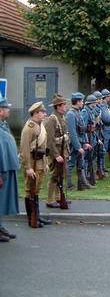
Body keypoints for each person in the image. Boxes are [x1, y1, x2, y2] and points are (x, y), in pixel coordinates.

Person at [19, 101, 51, 228]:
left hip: (40, 162)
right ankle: (31, 218)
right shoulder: (29, 128)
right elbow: (24, 149)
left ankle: (36, 216)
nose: (45, 114)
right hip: (32, 163)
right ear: (36, 113)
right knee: (29, 191)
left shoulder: (40, 125)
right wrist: (27, 167)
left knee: (36, 190)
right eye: (42, 112)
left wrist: (46, 162)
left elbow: (44, 146)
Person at [44, 94, 71, 208]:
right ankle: (50, 200)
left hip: (62, 151)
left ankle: (59, 197)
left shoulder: (62, 117)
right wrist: (55, 155)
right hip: (56, 152)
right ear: (58, 106)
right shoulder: (52, 119)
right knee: (55, 175)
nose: (66, 106)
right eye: (64, 104)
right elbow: (49, 140)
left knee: (61, 175)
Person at [0, 98, 19, 241]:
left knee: (2, 200)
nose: (9, 110)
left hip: (7, 167)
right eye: (7, 108)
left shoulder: (3, 124)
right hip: (1, 169)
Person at [66, 92, 92, 190]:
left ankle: (84, 183)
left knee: (81, 164)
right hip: (75, 144)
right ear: (77, 102)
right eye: (81, 101)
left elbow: (82, 129)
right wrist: (78, 147)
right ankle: (69, 185)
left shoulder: (77, 112)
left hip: (80, 142)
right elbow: (72, 132)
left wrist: (85, 143)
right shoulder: (71, 114)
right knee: (71, 164)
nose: (82, 103)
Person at [81, 95, 98, 187]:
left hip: (92, 136)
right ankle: (85, 179)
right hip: (87, 136)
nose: (96, 103)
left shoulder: (90, 111)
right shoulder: (85, 111)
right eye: (94, 102)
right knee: (86, 158)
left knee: (90, 158)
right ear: (91, 103)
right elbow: (82, 126)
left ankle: (89, 177)